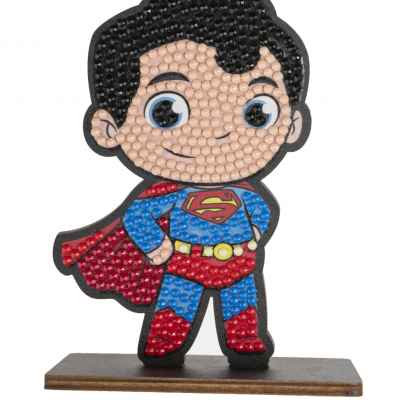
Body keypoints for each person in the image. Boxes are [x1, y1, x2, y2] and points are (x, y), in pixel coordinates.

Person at [54, 0, 311, 370]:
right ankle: (163, 345)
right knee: (174, 309)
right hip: (183, 266)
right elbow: (139, 216)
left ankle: (246, 343)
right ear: (108, 129)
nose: (219, 133)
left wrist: (255, 229)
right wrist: (155, 244)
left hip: (239, 264)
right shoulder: (169, 196)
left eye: (256, 112)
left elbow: (260, 210)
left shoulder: (245, 194)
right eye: (167, 111)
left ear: (292, 126)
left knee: (243, 309)